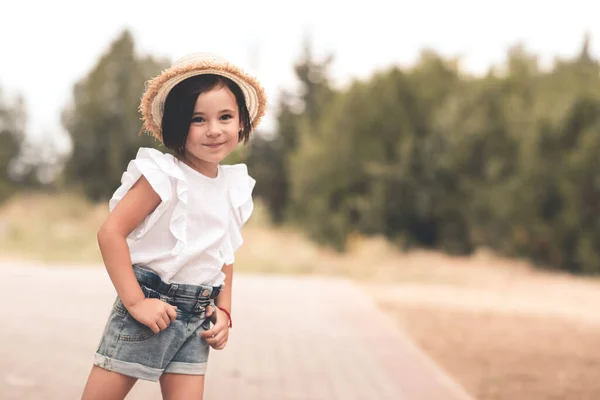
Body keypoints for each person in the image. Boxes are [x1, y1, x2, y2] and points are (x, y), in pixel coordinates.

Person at [80, 52, 267, 400]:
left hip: (198, 316)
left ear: (241, 122)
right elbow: (110, 233)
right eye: (198, 119)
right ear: (178, 125)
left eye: (225, 117)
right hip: (150, 306)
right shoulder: (163, 175)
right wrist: (136, 303)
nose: (214, 130)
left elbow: (223, 254)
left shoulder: (233, 186)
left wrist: (225, 310)